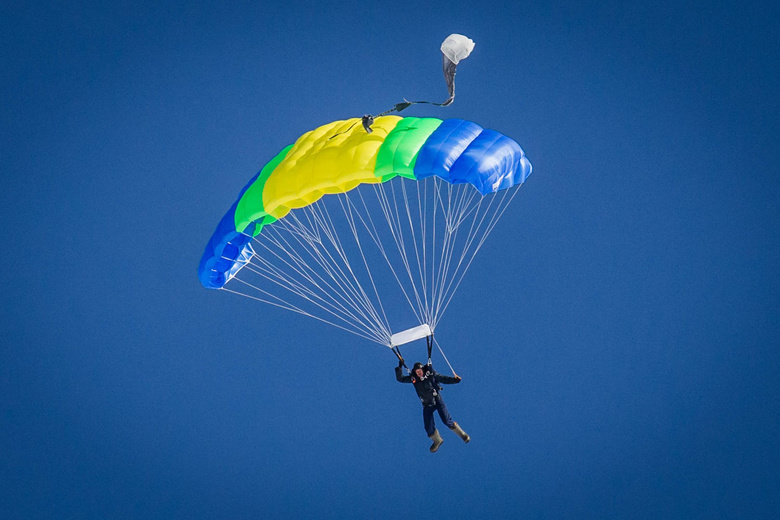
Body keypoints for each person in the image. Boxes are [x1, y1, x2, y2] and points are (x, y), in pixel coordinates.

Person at [395, 359, 471, 452]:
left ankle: (462, 434)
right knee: (428, 427)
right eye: (417, 372)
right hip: (427, 404)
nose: (419, 373)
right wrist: (400, 366)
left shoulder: (430, 374)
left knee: (446, 420)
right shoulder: (413, 379)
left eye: (420, 371)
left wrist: (454, 380)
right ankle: (437, 440)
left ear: (423, 370)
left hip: (437, 399)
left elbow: (443, 379)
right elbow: (400, 379)